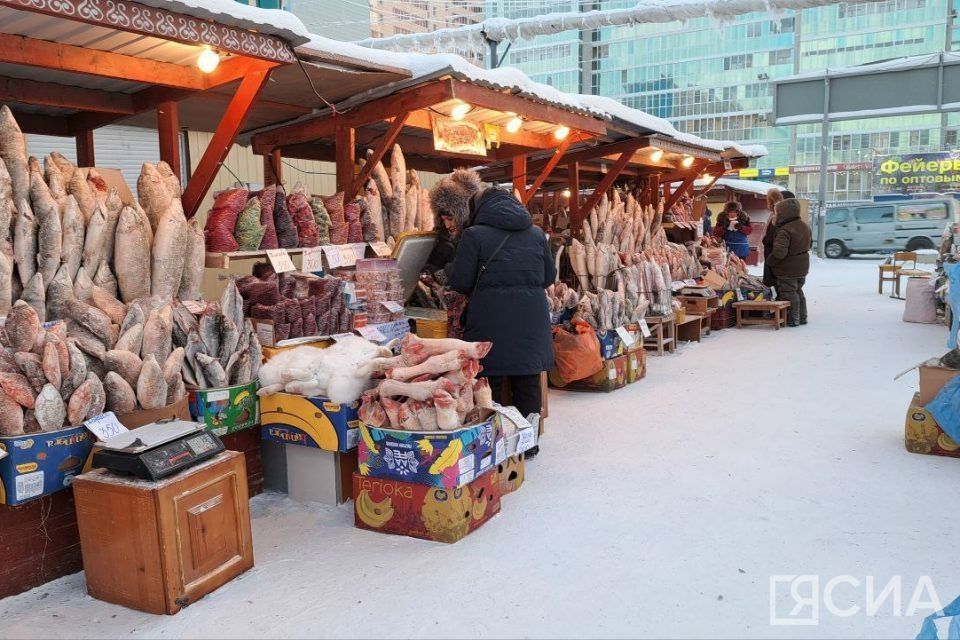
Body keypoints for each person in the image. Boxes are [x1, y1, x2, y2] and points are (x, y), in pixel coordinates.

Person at [449, 186, 555, 455]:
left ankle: (493, 445)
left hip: (489, 316)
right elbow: (548, 277)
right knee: (528, 379)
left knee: (489, 381)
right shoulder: (536, 234)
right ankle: (528, 444)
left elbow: (461, 281)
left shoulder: (474, 235)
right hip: (531, 317)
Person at [768, 197, 812, 327]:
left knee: (789, 293)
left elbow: (779, 253)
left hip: (788, 268)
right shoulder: (804, 226)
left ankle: (793, 320)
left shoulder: (785, 230)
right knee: (798, 291)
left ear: (783, 213)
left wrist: (770, 261)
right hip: (802, 266)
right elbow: (809, 245)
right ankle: (802, 317)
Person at [762, 189, 785, 287]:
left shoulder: (778, 214)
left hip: (774, 256)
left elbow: (775, 236)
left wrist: (766, 240)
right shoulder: (776, 213)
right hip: (772, 255)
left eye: (768, 200)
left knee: (775, 285)